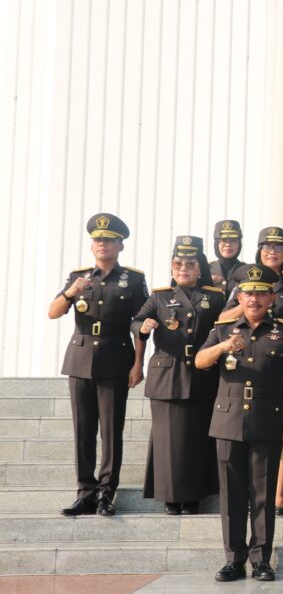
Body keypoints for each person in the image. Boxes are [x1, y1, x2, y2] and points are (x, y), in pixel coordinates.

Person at [196, 263, 283, 582]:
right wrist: (224, 346)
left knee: (263, 494)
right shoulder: (221, 329)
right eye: (248, 293)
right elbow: (200, 361)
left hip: (268, 422)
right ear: (239, 297)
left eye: (261, 293)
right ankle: (233, 559)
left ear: (272, 298)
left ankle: (261, 559)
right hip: (228, 421)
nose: (254, 299)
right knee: (231, 496)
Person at [50, 213, 149, 517]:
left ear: (120, 245)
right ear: (92, 245)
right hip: (80, 360)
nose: (102, 244)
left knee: (111, 430)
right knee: (83, 430)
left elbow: (139, 322)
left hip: (115, 358)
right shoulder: (79, 276)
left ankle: (107, 492)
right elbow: (54, 312)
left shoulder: (133, 279)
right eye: (97, 240)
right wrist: (70, 293)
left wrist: (137, 364)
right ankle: (85, 492)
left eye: (108, 240)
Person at [131, 236, 226, 515]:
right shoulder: (160, 296)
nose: (183, 268)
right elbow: (136, 321)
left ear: (199, 268)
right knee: (168, 441)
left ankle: (194, 496)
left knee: (198, 438)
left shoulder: (214, 297)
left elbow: (227, 326)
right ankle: (171, 497)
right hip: (168, 376)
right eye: (178, 263)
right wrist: (144, 326)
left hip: (202, 375)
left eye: (189, 263)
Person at [221, 227, 283, 516]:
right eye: (266, 247)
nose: (271, 252)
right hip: (245, 364)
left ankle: (279, 494)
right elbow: (222, 319)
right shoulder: (242, 285)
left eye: (278, 247)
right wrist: (250, 301)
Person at [209, 220, 245, 294]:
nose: (228, 244)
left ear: (239, 244)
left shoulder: (247, 271)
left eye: (233, 240)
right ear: (217, 244)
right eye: (224, 240)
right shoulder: (205, 270)